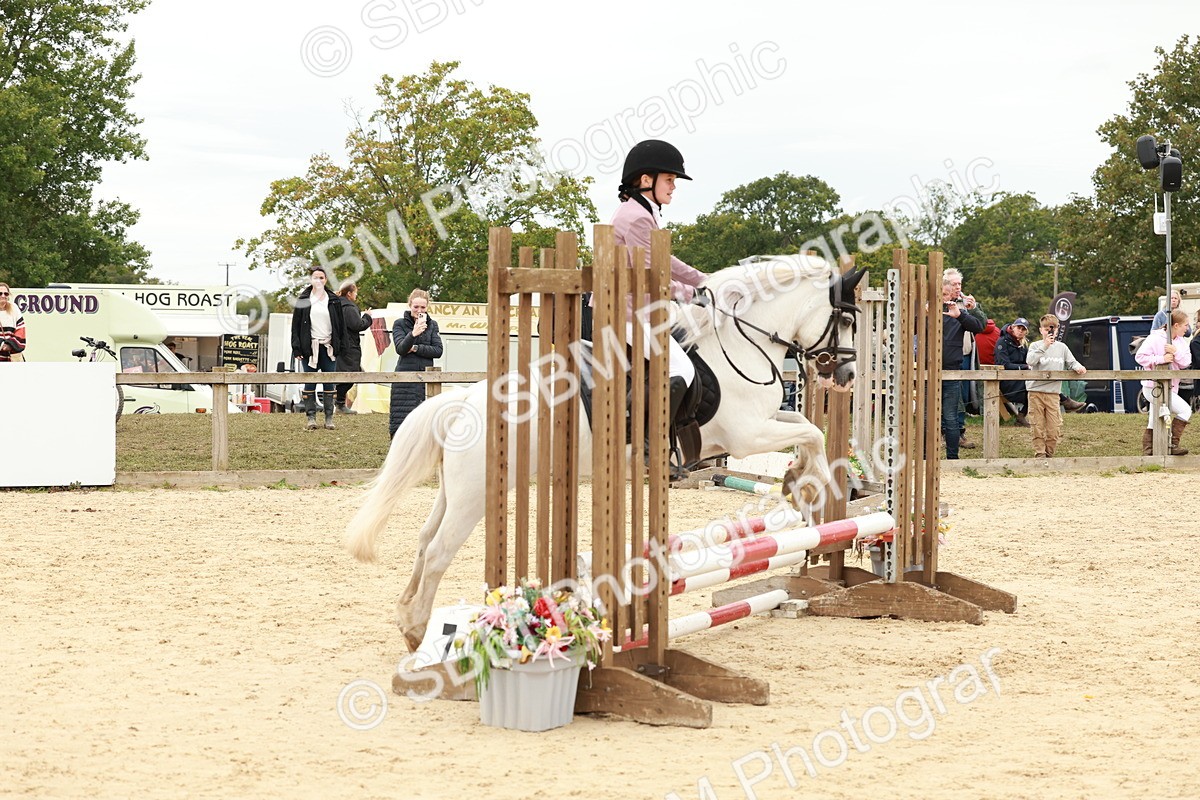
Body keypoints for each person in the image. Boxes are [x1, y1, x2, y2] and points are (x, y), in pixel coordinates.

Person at [612, 139, 707, 472]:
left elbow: (665, 260)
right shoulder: (637, 218)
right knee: (679, 370)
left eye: (674, 181)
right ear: (645, 180)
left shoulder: (641, 213)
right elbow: (652, 276)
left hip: (636, 310)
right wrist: (692, 294)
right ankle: (651, 450)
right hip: (625, 312)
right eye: (669, 180)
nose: (674, 187)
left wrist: (705, 280)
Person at [290, 266, 348, 431]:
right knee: (310, 382)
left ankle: (329, 417)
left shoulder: (333, 300)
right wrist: (297, 349)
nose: (319, 280)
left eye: (321, 277)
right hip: (310, 347)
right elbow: (295, 326)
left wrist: (342, 346)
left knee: (329, 383)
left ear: (326, 280)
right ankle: (311, 417)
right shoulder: (303, 299)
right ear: (311, 280)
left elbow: (340, 325)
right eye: (315, 277)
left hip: (329, 346)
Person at [1025, 314, 1087, 458]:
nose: (1049, 332)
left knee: (1054, 427)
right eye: (1047, 329)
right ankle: (1039, 454)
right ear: (1041, 330)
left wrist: (1079, 367)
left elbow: (1072, 362)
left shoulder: (1062, 348)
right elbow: (1031, 361)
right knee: (1037, 425)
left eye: (1052, 329)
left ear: (1058, 330)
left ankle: (1049, 453)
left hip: (1053, 393)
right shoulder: (1035, 345)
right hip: (1036, 392)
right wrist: (1045, 345)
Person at [940, 273, 984, 458]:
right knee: (927, 418)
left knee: (951, 415)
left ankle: (952, 456)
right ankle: (926, 456)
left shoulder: (960, 309)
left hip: (953, 367)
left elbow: (980, 326)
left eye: (946, 294)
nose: (944, 298)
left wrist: (962, 314)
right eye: (941, 294)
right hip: (928, 369)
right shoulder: (926, 309)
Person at [1135, 309, 1192, 455]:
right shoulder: (1155, 338)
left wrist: (1175, 352)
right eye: (1185, 325)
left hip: (1170, 386)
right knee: (1185, 410)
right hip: (1152, 386)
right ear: (1176, 325)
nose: (1188, 328)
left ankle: (1149, 451)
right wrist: (1161, 359)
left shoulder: (1181, 342)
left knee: (1153, 418)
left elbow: (1186, 361)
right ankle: (1171, 444)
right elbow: (1140, 357)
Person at [389, 288, 443, 438]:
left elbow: (438, 350)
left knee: (424, 422)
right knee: (401, 420)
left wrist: (416, 348)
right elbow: (400, 348)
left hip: (426, 379)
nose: (419, 310)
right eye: (416, 307)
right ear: (410, 305)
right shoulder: (399, 324)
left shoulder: (433, 325)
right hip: (404, 378)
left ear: (427, 308)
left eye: (423, 307)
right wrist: (413, 334)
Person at [335, 281, 373, 414]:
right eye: (355, 292)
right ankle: (339, 403)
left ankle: (339, 403)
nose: (356, 295)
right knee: (351, 375)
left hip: (341, 345)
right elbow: (357, 325)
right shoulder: (349, 307)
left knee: (348, 374)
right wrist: (367, 317)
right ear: (349, 294)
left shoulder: (337, 305)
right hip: (349, 346)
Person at [993, 318, 1031, 426]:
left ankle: (1021, 416)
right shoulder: (1002, 341)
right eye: (1019, 328)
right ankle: (1064, 401)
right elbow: (1004, 365)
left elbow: (1028, 361)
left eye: (1023, 329)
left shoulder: (1024, 344)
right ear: (1013, 327)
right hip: (1006, 379)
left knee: (1036, 385)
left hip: (1020, 378)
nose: (1020, 331)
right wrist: (1025, 367)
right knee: (1032, 387)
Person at [0, 283, 25, 363]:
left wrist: (10, 345)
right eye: (0, 293)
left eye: (6, 293)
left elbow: (21, 331)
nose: (3, 296)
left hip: (11, 358)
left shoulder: (14, 309)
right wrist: (2, 345)